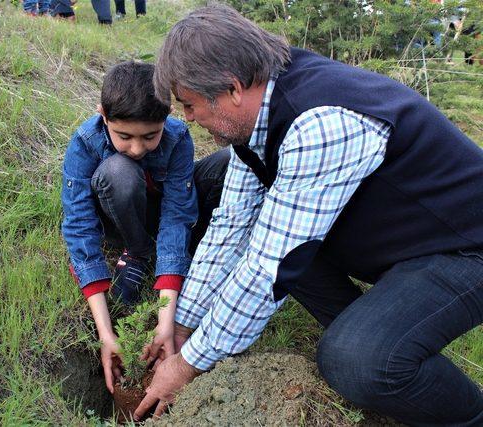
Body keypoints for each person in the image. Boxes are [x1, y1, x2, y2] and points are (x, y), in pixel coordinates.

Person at [134, 5, 483, 426]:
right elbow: (232, 228)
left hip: (464, 246)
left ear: (232, 88)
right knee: (283, 244)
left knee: (355, 360)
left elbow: (268, 269)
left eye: (189, 105)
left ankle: (466, 414)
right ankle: (380, 334)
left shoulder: (320, 124)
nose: (187, 118)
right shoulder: (260, 113)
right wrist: (185, 324)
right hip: (404, 236)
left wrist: (187, 364)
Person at [61, 61, 228, 393]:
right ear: (103, 116)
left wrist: (166, 320)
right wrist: (106, 335)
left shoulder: (178, 138)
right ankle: (137, 251)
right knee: (119, 171)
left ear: (167, 118)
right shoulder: (85, 142)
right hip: (117, 210)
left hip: (160, 205)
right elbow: (80, 227)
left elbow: (176, 215)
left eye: (151, 136)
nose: (137, 149)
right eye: (124, 136)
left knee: (227, 163)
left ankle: (195, 252)